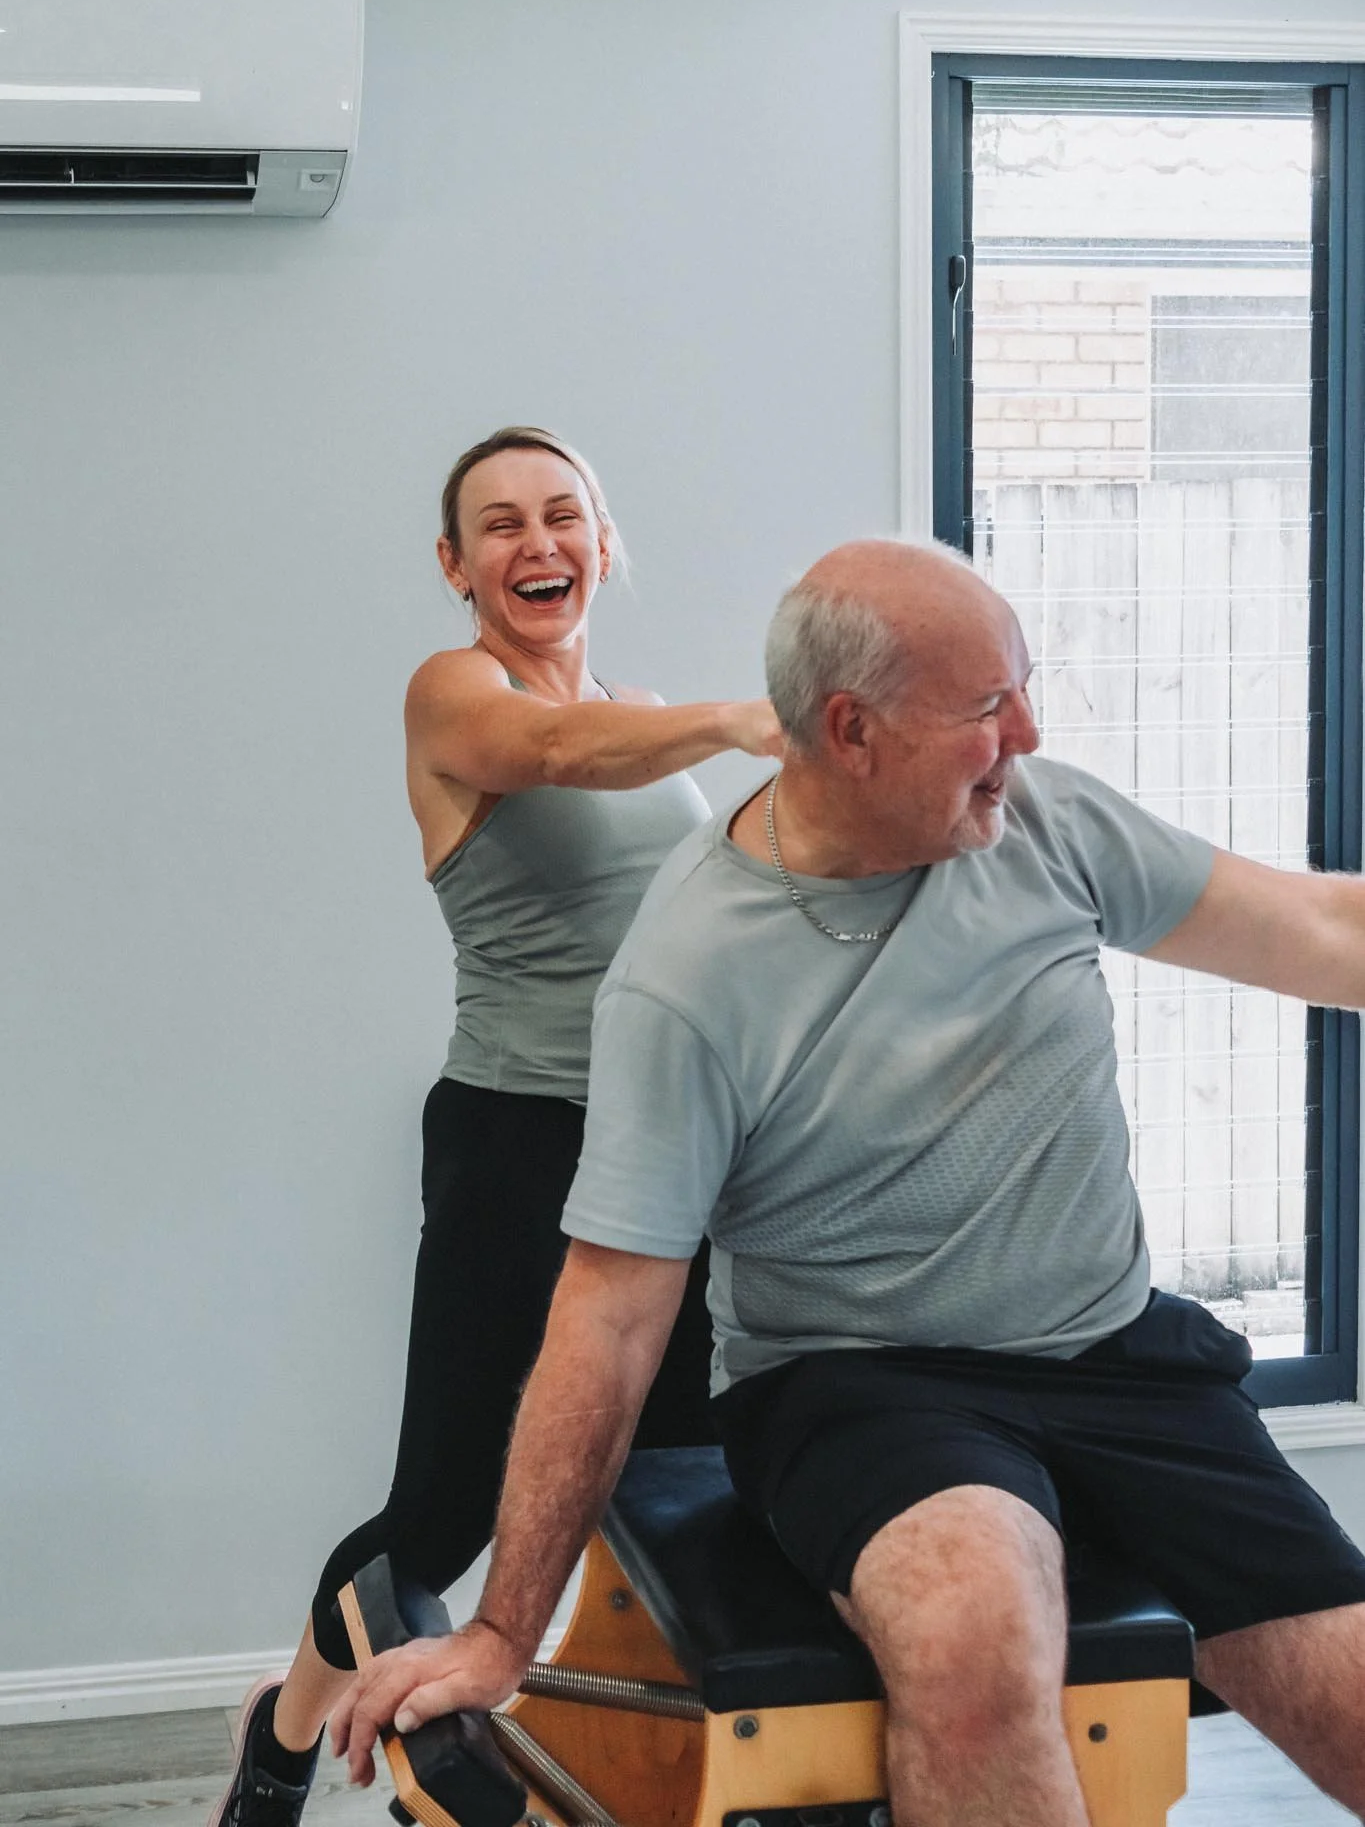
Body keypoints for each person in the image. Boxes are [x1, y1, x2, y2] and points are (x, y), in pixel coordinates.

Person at [332, 538, 1365, 1826]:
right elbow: (608, 1313)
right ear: (851, 732)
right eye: (988, 708)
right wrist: (502, 1634)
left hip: (1121, 1359)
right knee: (975, 1645)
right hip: (862, 1386)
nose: (1028, 735)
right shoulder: (687, 978)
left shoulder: (1042, 822)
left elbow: (1326, 930)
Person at [209, 426, 781, 1827]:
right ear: (456, 565)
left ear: (603, 540)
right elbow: (549, 750)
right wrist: (735, 719)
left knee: (666, 1483)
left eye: (564, 516)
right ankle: (282, 1742)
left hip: (673, 1157)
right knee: (449, 1514)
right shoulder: (455, 696)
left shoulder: (640, 717)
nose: (540, 544)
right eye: (503, 525)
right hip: (517, 1146)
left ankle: (627, 1766)